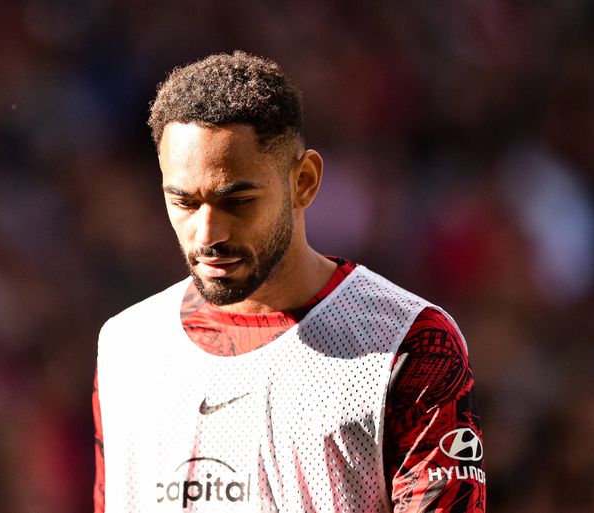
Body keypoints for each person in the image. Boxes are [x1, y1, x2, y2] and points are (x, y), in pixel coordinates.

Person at [93, 51, 485, 512]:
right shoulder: (126, 346)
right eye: (183, 203)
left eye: (237, 201)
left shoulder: (408, 343)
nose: (207, 234)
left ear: (304, 181)